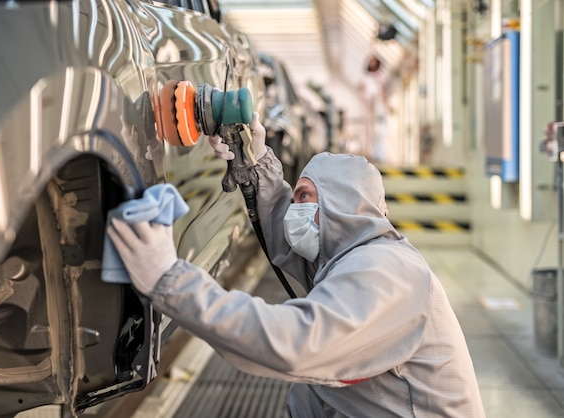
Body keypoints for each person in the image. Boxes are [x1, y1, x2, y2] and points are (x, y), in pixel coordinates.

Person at [107, 113, 485, 417]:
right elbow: (288, 244)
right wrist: (256, 165)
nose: (294, 210)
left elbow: (292, 343)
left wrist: (170, 279)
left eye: (304, 196)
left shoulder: (387, 274)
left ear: (340, 204)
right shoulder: (350, 258)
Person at [357, 55, 391, 164]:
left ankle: (381, 155)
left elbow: (384, 92)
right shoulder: (366, 77)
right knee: (369, 131)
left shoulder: (383, 76)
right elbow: (362, 89)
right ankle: (371, 154)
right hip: (370, 105)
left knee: (381, 131)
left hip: (379, 106)